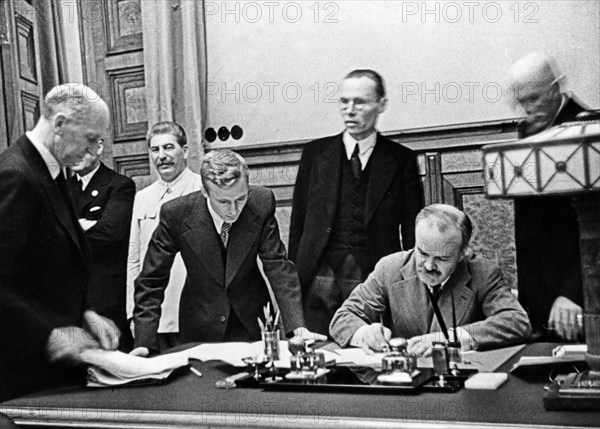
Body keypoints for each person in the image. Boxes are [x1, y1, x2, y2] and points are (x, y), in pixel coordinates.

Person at [134, 149, 325, 352]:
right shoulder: (176, 214)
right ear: (205, 192)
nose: (233, 211)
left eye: (240, 199)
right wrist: (144, 343)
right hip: (200, 326)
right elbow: (151, 280)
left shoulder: (261, 202)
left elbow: (278, 266)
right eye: (224, 202)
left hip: (253, 324)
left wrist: (297, 328)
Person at [0, 83, 120, 401]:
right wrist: (51, 333)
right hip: (24, 379)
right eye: (91, 138)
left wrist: (85, 314)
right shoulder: (17, 175)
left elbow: (47, 275)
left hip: (53, 376)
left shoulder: (51, 170)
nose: (96, 151)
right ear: (61, 123)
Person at [289, 69, 423, 336]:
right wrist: (294, 283)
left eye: (360, 102)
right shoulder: (315, 155)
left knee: (371, 352)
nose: (350, 110)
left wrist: (410, 285)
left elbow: (412, 229)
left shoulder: (401, 160)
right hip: (318, 280)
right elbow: (298, 223)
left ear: (381, 105)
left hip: (374, 280)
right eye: (344, 102)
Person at [330, 204, 531, 355]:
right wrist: (365, 333)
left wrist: (448, 339)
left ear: (462, 253)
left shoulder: (482, 272)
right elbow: (343, 317)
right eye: (423, 253)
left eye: (442, 258)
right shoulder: (390, 268)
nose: (428, 266)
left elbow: (516, 322)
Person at [508, 52, 589, 341]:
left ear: (556, 88)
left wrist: (573, 293)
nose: (527, 109)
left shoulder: (589, 129)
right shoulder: (527, 132)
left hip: (580, 299)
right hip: (539, 303)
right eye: (521, 101)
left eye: (534, 98)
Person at [126, 122, 203, 350]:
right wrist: (133, 312)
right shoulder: (142, 198)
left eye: (169, 147)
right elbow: (134, 260)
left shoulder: (203, 190)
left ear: (185, 151)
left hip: (194, 314)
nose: (162, 156)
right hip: (153, 318)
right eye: (155, 150)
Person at [69, 141, 135, 351]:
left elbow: (110, 235)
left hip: (105, 298)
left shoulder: (119, 185)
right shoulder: (61, 189)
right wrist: (87, 225)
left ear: (98, 147)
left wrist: (69, 232)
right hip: (71, 303)